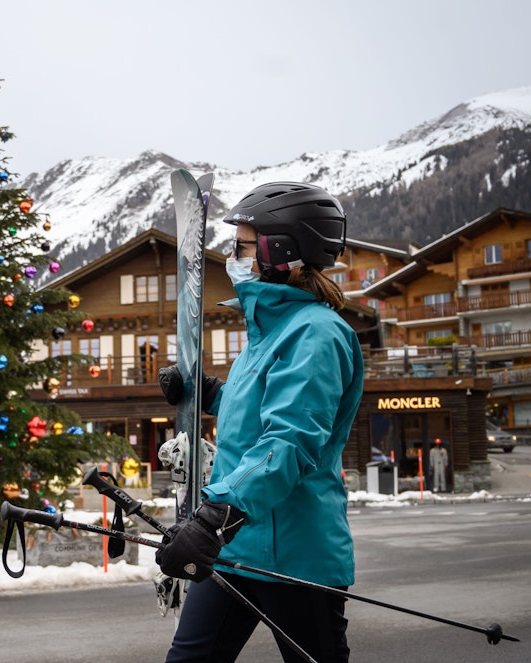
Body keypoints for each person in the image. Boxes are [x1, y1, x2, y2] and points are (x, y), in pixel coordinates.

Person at [156, 181, 364, 662]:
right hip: (236, 546)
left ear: (281, 250)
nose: (235, 256)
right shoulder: (267, 333)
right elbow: (257, 414)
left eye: (244, 246)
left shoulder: (316, 334)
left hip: (295, 555)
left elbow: (288, 441)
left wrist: (215, 513)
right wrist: (207, 394)